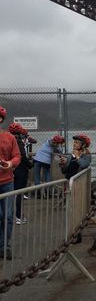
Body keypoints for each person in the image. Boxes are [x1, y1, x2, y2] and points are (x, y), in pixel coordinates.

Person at [0, 106, 21, 259]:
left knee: (7, 216)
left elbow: (17, 156)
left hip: (7, 182)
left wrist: (10, 163)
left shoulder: (10, 138)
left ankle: (4, 246)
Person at [8, 123, 32, 224]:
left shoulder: (8, 140)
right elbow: (22, 156)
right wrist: (30, 165)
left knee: (10, 194)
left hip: (10, 170)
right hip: (21, 170)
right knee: (19, 194)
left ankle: (9, 216)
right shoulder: (19, 142)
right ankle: (18, 217)